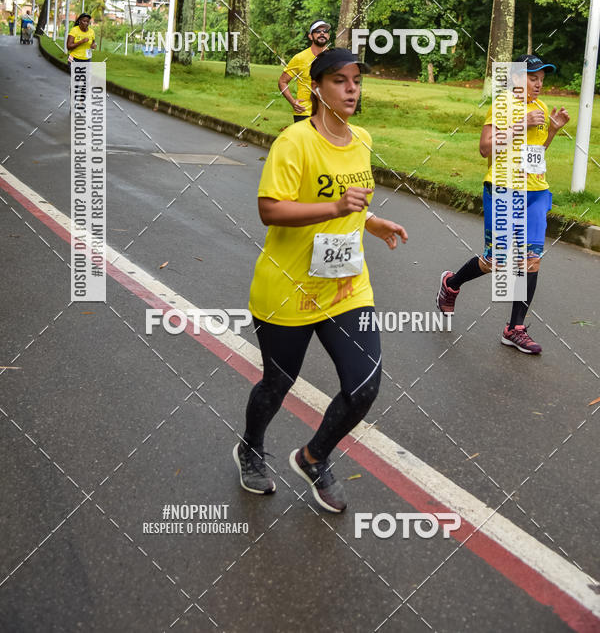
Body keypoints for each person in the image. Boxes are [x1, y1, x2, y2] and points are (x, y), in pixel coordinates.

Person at [234, 48, 408, 512]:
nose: (352, 89)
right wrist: (334, 208)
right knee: (277, 383)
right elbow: (270, 209)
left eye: (357, 80)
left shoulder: (363, 139)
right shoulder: (294, 142)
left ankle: (313, 457)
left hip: (347, 289)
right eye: (339, 81)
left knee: (364, 385)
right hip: (287, 288)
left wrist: (374, 222)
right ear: (316, 88)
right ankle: (251, 446)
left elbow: (355, 202)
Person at [436, 54, 570, 355]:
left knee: (531, 258)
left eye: (541, 79)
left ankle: (514, 328)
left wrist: (551, 131)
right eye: (532, 77)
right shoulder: (503, 105)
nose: (538, 84)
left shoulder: (540, 107)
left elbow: (537, 152)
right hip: (503, 188)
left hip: (536, 191)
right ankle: (451, 284)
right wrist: (520, 124)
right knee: (496, 261)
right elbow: (485, 149)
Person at [278, 20, 331, 122]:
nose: (322, 33)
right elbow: (282, 81)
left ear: (328, 36)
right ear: (310, 36)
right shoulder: (300, 58)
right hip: (304, 113)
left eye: (325, 31)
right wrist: (293, 102)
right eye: (317, 31)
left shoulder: (334, 58)